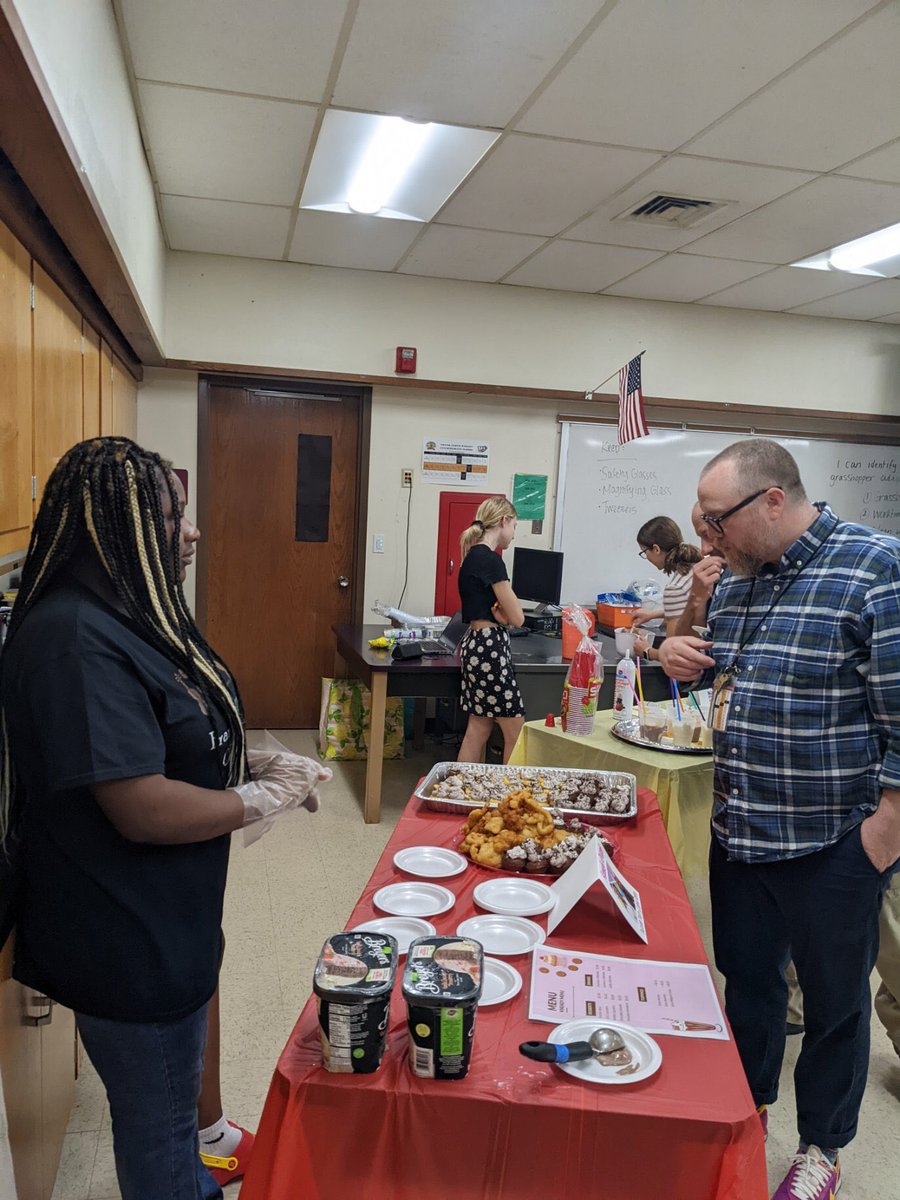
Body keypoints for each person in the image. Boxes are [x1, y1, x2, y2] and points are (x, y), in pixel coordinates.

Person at [0, 437, 329, 1200]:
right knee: (160, 1132)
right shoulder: (73, 638)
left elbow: (162, 734)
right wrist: (257, 800)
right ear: (112, 527)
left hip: (167, 921)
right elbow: (141, 804)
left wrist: (250, 761)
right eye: (174, 515)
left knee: (173, 1120)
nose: (192, 532)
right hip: (124, 942)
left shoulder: (126, 615)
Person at [658, 438, 900, 1200]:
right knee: (751, 987)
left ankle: (821, 1150)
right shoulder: (738, 579)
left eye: (714, 522)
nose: (706, 541)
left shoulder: (876, 568)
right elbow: (718, 673)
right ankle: (748, 1110)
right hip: (742, 832)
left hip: (834, 843)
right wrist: (673, 651)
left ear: (771, 500)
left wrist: (879, 838)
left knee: (834, 1005)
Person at [456, 497, 525, 763]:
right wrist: (506, 618)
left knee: (479, 726)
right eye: (515, 526)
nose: (514, 535)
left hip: (474, 643)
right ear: (503, 521)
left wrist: (504, 617)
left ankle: (460, 792)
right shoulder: (492, 561)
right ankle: (509, 799)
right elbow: (518, 617)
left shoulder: (471, 556)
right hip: (490, 649)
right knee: (515, 729)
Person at [629, 516, 701, 663]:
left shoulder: (676, 586)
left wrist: (647, 651)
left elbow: (672, 654)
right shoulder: (696, 569)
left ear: (656, 549)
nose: (646, 557)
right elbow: (689, 609)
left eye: (644, 552)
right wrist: (653, 614)